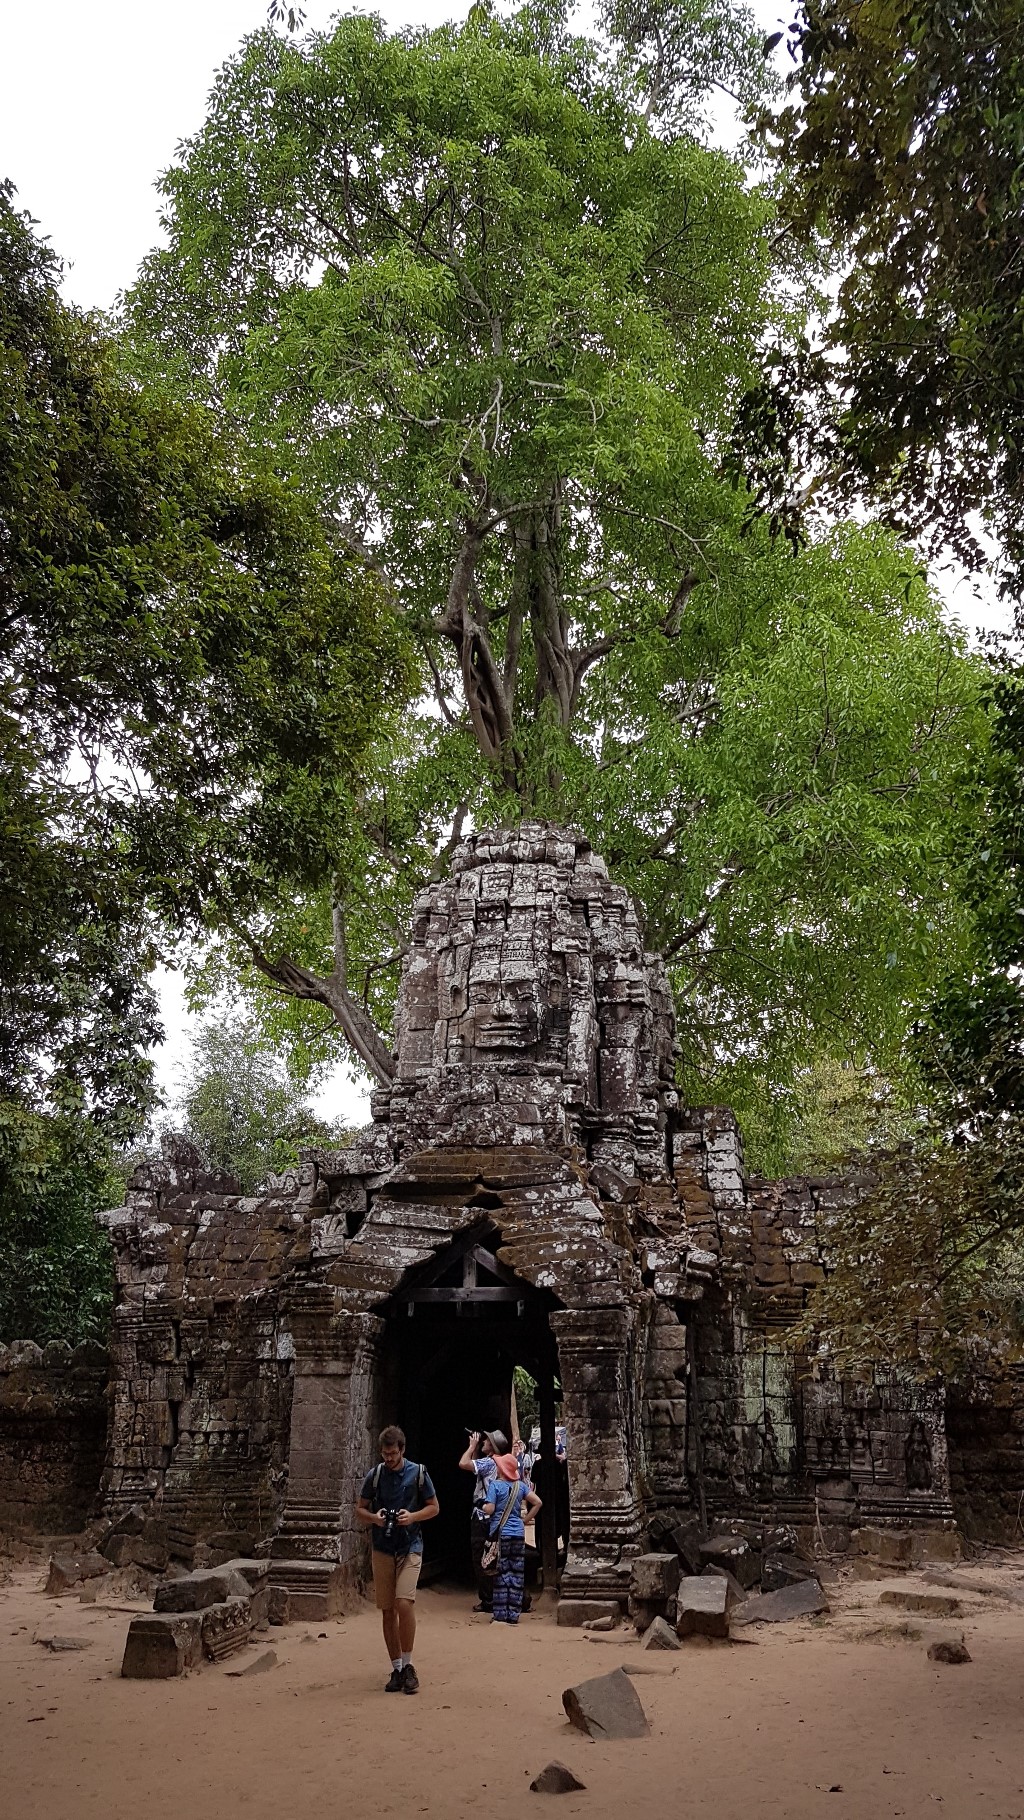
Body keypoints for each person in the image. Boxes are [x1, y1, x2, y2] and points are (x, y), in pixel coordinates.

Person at [355, 1424, 439, 1694]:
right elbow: (360, 1509)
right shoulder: (375, 1475)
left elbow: (434, 1507)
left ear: (402, 1450)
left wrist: (412, 1517)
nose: (389, 1458)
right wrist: (375, 1518)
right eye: (385, 1454)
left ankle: (409, 1663)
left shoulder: (418, 1473)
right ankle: (397, 1668)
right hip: (382, 1548)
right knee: (387, 1609)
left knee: (404, 1603)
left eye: (393, 1453)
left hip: (410, 1546)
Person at [481, 1449, 541, 1624]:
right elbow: (538, 1502)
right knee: (516, 1574)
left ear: (501, 1469)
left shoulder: (495, 1486)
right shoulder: (520, 1486)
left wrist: (483, 1507)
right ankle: (513, 1614)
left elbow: (490, 1509)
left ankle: (500, 1614)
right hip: (518, 1535)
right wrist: (524, 1521)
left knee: (500, 1573)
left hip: (501, 1535)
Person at [458, 1428, 507, 1613]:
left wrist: (471, 1447)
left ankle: (488, 1600)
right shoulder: (499, 1462)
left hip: (482, 1517)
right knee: (494, 1557)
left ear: (492, 1447)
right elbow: (476, 1468)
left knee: (481, 1558)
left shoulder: (488, 1462)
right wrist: (477, 1448)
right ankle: (498, 1596)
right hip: (494, 1517)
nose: (484, 1441)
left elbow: (463, 1463)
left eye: (487, 1440)